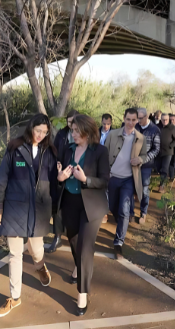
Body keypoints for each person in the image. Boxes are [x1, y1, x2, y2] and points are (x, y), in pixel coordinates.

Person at [0, 114, 57, 317]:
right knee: (14, 254)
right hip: (14, 209)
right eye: (38, 130)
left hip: (38, 210)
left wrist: (61, 183)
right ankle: (15, 297)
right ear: (31, 128)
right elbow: (1, 178)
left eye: (45, 132)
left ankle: (40, 266)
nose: (41, 135)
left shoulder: (50, 152)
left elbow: (54, 182)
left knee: (36, 250)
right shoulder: (15, 148)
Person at [56, 114, 110, 316]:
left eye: (77, 131)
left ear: (88, 131)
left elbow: (105, 181)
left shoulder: (100, 151)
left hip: (91, 206)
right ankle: (78, 267)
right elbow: (59, 175)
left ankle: (82, 293)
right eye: (72, 130)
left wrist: (85, 179)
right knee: (73, 241)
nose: (73, 134)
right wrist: (61, 177)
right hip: (69, 202)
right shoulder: (68, 149)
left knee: (85, 247)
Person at [104, 108, 148, 259]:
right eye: (128, 119)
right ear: (124, 118)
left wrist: (140, 160)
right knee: (111, 207)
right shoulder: (112, 134)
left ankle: (118, 243)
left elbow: (144, 155)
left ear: (137, 120)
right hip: (112, 178)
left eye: (134, 120)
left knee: (124, 210)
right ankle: (120, 223)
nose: (131, 123)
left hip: (129, 179)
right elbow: (104, 154)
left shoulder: (141, 138)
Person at [46, 109, 79, 254]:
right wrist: (57, 166)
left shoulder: (83, 135)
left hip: (77, 176)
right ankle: (57, 237)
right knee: (57, 208)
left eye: (73, 122)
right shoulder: (62, 134)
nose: (71, 125)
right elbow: (55, 151)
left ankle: (76, 238)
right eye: (69, 121)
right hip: (61, 174)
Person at [133, 107, 160, 224]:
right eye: (137, 118)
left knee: (144, 189)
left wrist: (143, 159)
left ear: (147, 116)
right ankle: (130, 212)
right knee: (130, 188)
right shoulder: (135, 127)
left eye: (140, 118)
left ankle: (143, 213)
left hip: (146, 165)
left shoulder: (155, 130)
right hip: (132, 163)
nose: (138, 120)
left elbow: (156, 149)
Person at [157, 113, 175, 194]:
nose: (165, 121)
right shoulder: (157, 127)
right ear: (161, 119)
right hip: (158, 151)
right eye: (163, 120)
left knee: (164, 168)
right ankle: (163, 179)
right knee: (158, 168)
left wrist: (171, 146)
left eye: (166, 119)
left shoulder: (172, 128)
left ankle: (161, 185)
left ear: (168, 119)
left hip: (168, 152)